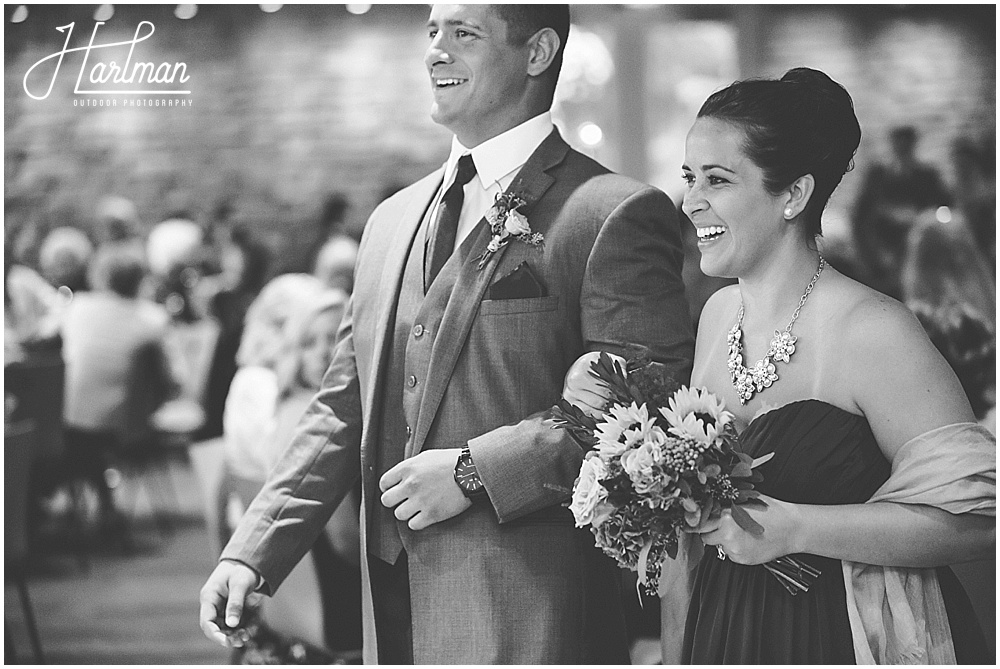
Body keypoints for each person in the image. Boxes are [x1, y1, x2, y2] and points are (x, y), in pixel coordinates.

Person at [200, 5, 693, 664]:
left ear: (538, 52)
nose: (436, 51)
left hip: (529, 610)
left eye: (464, 33)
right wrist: (252, 548)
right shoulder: (389, 222)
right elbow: (342, 406)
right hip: (391, 610)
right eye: (432, 32)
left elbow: (639, 408)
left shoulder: (612, 212)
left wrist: (471, 472)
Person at [664, 68, 992, 663]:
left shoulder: (874, 330)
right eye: (690, 178)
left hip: (836, 633)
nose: (692, 202)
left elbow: (978, 522)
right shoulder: (716, 315)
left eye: (717, 179)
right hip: (726, 628)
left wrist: (797, 528)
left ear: (793, 194)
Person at [61, 242, 179, 536]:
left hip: (70, 422)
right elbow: (175, 381)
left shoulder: (77, 308)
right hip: (128, 425)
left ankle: (95, 506)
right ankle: (107, 505)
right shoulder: (153, 319)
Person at [850, 125, 951, 299]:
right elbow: (859, 218)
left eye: (906, 145)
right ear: (893, 146)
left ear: (913, 146)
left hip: (918, 253)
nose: (902, 150)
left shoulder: (927, 177)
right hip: (881, 254)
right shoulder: (877, 177)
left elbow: (945, 210)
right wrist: (869, 256)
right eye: (899, 144)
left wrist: (917, 218)